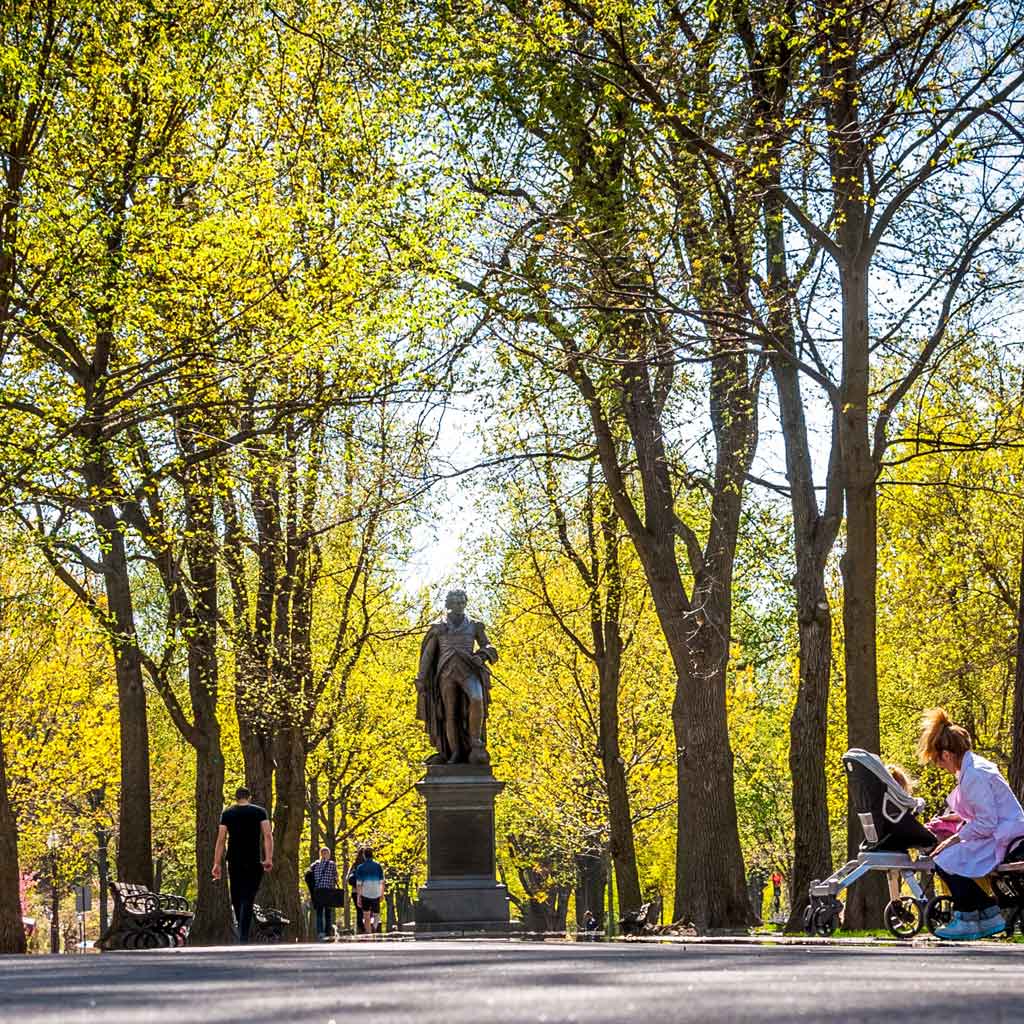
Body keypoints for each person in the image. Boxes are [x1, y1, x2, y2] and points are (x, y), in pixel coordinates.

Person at [917, 707, 1024, 940]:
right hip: (1003, 829)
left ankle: (969, 915)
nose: (941, 767)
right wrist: (957, 820)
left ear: (946, 754)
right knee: (948, 856)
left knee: (944, 859)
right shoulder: (974, 766)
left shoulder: (973, 774)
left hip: (1003, 836)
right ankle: (985, 912)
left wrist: (955, 837)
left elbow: (986, 821)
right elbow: (988, 809)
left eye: (938, 762)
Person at [415, 589, 498, 765]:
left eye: (462, 602)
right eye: (456, 603)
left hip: (468, 671)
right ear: (449, 604)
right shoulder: (439, 627)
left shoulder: (475, 625)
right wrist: (421, 678)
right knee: (449, 713)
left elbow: (488, 645)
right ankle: (454, 752)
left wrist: (482, 656)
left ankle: (475, 741)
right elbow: (428, 655)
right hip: (446, 673)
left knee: (476, 698)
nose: (460, 606)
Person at [212, 786, 272, 944]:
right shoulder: (260, 812)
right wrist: (269, 858)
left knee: (237, 897)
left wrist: (216, 863)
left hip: (234, 859)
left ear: (236, 798)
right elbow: (267, 835)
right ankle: (243, 934)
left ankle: (242, 931)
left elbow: (221, 840)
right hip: (253, 859)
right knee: (248, 896)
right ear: (250, 797)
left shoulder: (227, 813)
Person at [308, 846, 339, 940]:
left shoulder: (314, 865)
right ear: (328, 854)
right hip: (328, 891)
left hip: (318, 891)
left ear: (320, 854)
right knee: (328, 913)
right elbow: (336, 877)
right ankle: (328, 932)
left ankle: (320, 932)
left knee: (319, 913)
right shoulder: (332, 864)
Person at [354, 847, 385, 936]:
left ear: (364, 855)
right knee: (376, 914)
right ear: (372, 855)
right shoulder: (378, 866)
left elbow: (359, 884)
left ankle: (368, 932)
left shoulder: (360, 867)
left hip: (365, 893)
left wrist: (359, 897)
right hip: (376, 893)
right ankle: (374, 927)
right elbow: (382, 882)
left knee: (366, 915)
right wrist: (382, 894)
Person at [346, 847, 368, 934]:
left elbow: (348, 878)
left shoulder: (354, 865)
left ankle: (360, 929)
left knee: (359, 911)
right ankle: (368, 928)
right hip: (367, 891)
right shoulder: (368, 865)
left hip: (355, 891)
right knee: (367, 911)